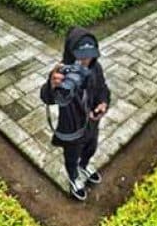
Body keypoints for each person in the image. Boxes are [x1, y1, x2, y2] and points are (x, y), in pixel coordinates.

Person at [40, 27, 110, 201]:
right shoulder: (61, 73)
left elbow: (103, 89)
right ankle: (73, 178)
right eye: (81, 54)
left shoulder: (96, 68)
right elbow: (47, 98)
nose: (86, 59)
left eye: (90, 54)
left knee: (91, 148)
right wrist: (52, 86)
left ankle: (84, 165)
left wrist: (103, 103)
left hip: (92, 123)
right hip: (71, 128)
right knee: (71, 157)